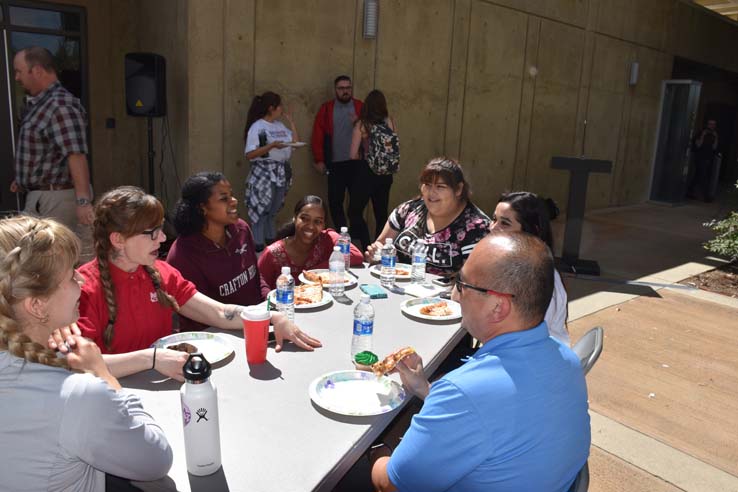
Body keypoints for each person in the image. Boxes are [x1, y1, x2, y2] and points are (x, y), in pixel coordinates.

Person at [370, 232, 590, 492]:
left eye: (462, 284)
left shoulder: (464, 393)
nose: (454, 296)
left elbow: (391, 485)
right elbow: (492, 420)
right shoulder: (566, 359)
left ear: (498, 307)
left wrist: (378, 450)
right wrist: (423, 388)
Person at [69, 186, 320, 381]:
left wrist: (268, 316)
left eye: (161, 229)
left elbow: (218, 312)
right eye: (152, 233)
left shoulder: (160, 272)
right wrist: (152, 359)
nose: (163, 238)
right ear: (118, 239)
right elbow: (81, 363)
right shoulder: (83, 289)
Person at [0, 216, 172, 491]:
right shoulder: (76, 395)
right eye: (70, 275)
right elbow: (156, 460)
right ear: (37, 305)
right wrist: (104, 377)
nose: (81, 277)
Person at [9, 46, 94, 263]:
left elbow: (75, 155)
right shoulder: (41, 104)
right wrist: (24, 179)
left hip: (57, 199)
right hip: (43, 196)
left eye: (19, 71)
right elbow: (47, 151)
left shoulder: (60, 105)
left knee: (56, 261)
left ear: (37, 70)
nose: (16, 77)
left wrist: (83, 201)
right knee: (38, 259)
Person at [167, 171, 270, 331]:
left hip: (259, 322)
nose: (234, 201)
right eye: (224, 198)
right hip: (217, 338)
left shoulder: (241, 229)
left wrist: (269, 300)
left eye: (232, 195)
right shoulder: (183, 255)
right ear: (202, 208)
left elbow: (254, 275)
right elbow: (201, 316)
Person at [365, 157, 490, 277]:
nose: (431, 193)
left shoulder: (476, 228)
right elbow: (381, 244)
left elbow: (474, 280)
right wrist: (376, 253)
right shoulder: (408, 210)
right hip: (395, 285)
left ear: (458, 189)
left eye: (440, 186)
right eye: (427, 184)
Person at [490, 191, 570, 345]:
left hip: (532, 359)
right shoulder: (511, 263)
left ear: (530, 230)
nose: (493, 228)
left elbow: (525, 339)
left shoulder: (536, 276)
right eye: (494, 219)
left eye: (504, 223)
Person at [258, 195, 364, 289]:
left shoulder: (326, 238)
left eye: (318, 221)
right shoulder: (272, 254)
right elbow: (259, 286)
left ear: (323, 225)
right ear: (295, 218)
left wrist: (312, 272)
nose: (311, 226)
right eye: (304, 219)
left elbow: (356, 256)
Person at [244, 91, 299, 251]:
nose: (282, 109)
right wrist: (272, 146)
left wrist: (291, 121)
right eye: (280, 106)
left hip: (280, 172)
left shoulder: (279, 125)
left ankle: (272, 247)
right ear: (271, 108)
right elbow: (250, 154)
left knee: (273, 211)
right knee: (261, 210)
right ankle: (258, 248)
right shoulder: (258, 127)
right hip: (264, 172)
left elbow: (294, 142)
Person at [311, 75, 363, 230]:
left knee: (357, 204)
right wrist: (319, 159)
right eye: (341, 88)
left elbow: (371, 132)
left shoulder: (360, 107)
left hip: (358, 164)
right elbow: (318, 135)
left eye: (348, 88)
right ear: (335, 90)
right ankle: (342, 235)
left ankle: (356, 237)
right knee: (335, 202)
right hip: (335, 164)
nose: (345, 91)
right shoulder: (327, 108)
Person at [349, 89, 399, 248]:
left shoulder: (362, 124)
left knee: (354, 212)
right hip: (385, 174)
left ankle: (365, 245)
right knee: (381, 214)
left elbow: (352, 154)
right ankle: (379, 248)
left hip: (366, 172)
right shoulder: (389, 121)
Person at [689, 119, 719, 202]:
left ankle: (690, 191)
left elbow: (714, 147)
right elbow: (698, 145)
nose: (712, 126)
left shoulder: (714, 134)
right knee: (703, 175)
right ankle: (706, 196)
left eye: (713, 124)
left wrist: (716, 137)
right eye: (710, 124)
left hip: (708, 157)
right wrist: (702, 135)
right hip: (699, 157)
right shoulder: (701, 132)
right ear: (707, 124)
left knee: (698, 175)